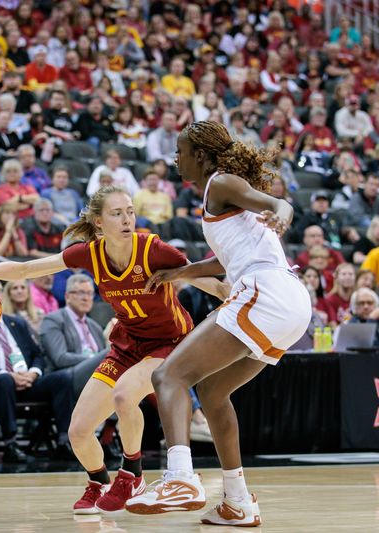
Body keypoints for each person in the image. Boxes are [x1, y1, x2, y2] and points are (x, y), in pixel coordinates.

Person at [0, 185, 226, 515]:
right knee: (79, 431)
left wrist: (242, 295)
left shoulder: (153, 249)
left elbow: (203, 278)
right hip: (128, 344)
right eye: (117, 213)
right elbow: (28, 269)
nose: (127, 219)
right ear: (98, 222)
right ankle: (99, 480)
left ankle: (132, 474)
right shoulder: (89, 253)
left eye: (130, 211)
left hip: (168, 343)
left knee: (126, 396)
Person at [123, 121, 311, 526]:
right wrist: (181, 273)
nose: (176, 159)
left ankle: (180, 478)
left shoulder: (221, 182)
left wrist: (280, 212)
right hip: (290, 303)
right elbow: (229, 258)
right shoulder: (219, 197)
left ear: (202, 157)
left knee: (169, 376)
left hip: (266, 292)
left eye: (181, 152)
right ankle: (238, 501)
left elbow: (276, 204)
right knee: (211, 392)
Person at [0, 278, 75, 459]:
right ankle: (10, 442)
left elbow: (37, 355)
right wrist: (9, 375)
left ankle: (64, 440)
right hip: (0, 384)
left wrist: (33, 373)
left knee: (63, 378)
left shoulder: (16, 323)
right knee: (3, 380)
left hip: (27, 380)